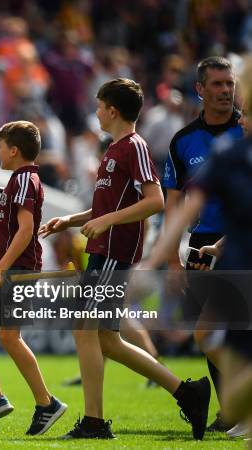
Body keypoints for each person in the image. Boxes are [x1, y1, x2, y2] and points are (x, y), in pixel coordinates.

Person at [39, 78, 210, 440]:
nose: (96, 112)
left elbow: (155, 201)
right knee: (107, 340)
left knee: (84, 331)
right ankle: (187, 392)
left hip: (114, 254)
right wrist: (71, 220)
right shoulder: (115, 149)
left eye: (100, 107)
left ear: (112, 110)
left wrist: (104, 221)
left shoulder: (133, 146)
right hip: (104, 252)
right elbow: (108, 207)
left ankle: (95, 423)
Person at [146, 59, 252, 438]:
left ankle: (240, 410)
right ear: (200, 90)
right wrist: (171, 257)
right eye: (218, 84)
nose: (226, 90)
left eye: (231, 83)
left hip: (240, 240)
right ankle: (232, 411)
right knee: (215, 333)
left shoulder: (246, 132)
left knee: (212, 333)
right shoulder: (183, 141)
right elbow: (174, 203)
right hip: (205, 245)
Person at [0, 120, 67, 436]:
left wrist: (0, 269)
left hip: (17, 271)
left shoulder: (24, 181)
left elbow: (24, 232)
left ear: (14, 150)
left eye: (1, 147)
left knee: (9, 337)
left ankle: (46, 403)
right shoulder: (19, 180)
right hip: (8, 269)